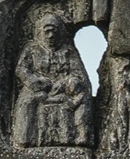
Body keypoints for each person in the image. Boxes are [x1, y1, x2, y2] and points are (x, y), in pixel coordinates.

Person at [13, 11, 95, 148]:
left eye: (54, 31)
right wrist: (34, 81)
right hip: (38, 88)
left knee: (83, 98)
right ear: (40, 32)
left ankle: (81, 136)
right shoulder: (31, 49)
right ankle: (25, 139)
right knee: (26, 102)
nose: (51, 36)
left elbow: (80, 75)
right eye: (47, 31)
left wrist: (65, 82)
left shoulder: (69, 52)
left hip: (63, 89)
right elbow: (21, 70)